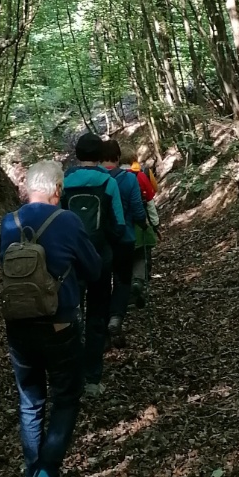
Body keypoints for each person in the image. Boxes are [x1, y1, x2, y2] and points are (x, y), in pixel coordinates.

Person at [0, 160, 102, 477]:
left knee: (30, 402)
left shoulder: (8, 223)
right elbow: (94, 269)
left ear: (27, 188)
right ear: (58, 189)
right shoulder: (68, 221)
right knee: (67, 397)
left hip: (19, 327)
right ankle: (46, 473)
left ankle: (34, 474)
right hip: (60, 327)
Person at [61, 132, 125, 397]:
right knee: (97, 315)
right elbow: (118, 225)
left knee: (70, 315)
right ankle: (92, 379)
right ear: (100, 156)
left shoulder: (64, 182)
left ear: (77, 155)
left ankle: (69, 376)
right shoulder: (108, 182)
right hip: (100, 258)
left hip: (71, 260)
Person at [100, 138, 148, 346]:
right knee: (122, 281)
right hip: (125, 239)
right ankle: (116, 317)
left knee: (101, 284)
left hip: (99, 241)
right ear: (118, 158)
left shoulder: (94, 180)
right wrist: (144, 224)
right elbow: (138, 211)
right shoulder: (129, 179)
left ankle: (101, 329)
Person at [119, 144, 160, 306]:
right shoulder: (141, 175)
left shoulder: (114, 177)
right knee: (142, 256)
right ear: (133, 159)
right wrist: (155, 224)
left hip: (122, 225)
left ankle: (128, 291)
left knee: (124, 259)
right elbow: (150, 202)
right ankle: (139, 282)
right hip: (140, 223)